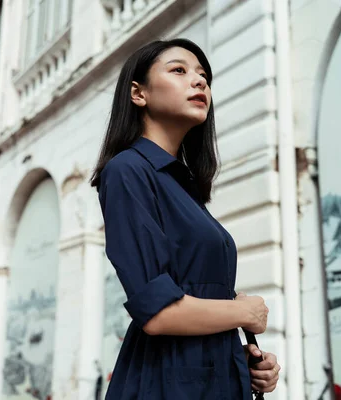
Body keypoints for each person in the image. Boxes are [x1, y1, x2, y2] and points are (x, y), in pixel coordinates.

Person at [90, 39, 281, 399]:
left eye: (204, 77)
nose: (199, 82)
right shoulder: (128, 171)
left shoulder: (183, 185)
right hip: (163, 385)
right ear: (138, 93)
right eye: (179, 70)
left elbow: (192, 295)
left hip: (206, 379)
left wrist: (239, 360)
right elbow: (159, 313)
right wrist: (243, 312)